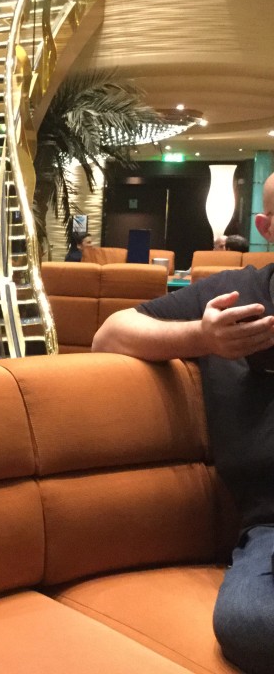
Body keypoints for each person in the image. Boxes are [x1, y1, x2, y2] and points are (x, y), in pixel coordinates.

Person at [92, 173, 274, 674]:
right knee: (249, 624)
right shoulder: (236, 296)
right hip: (270, 529)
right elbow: (110, 334)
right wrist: (203, 338)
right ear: (266, 228)